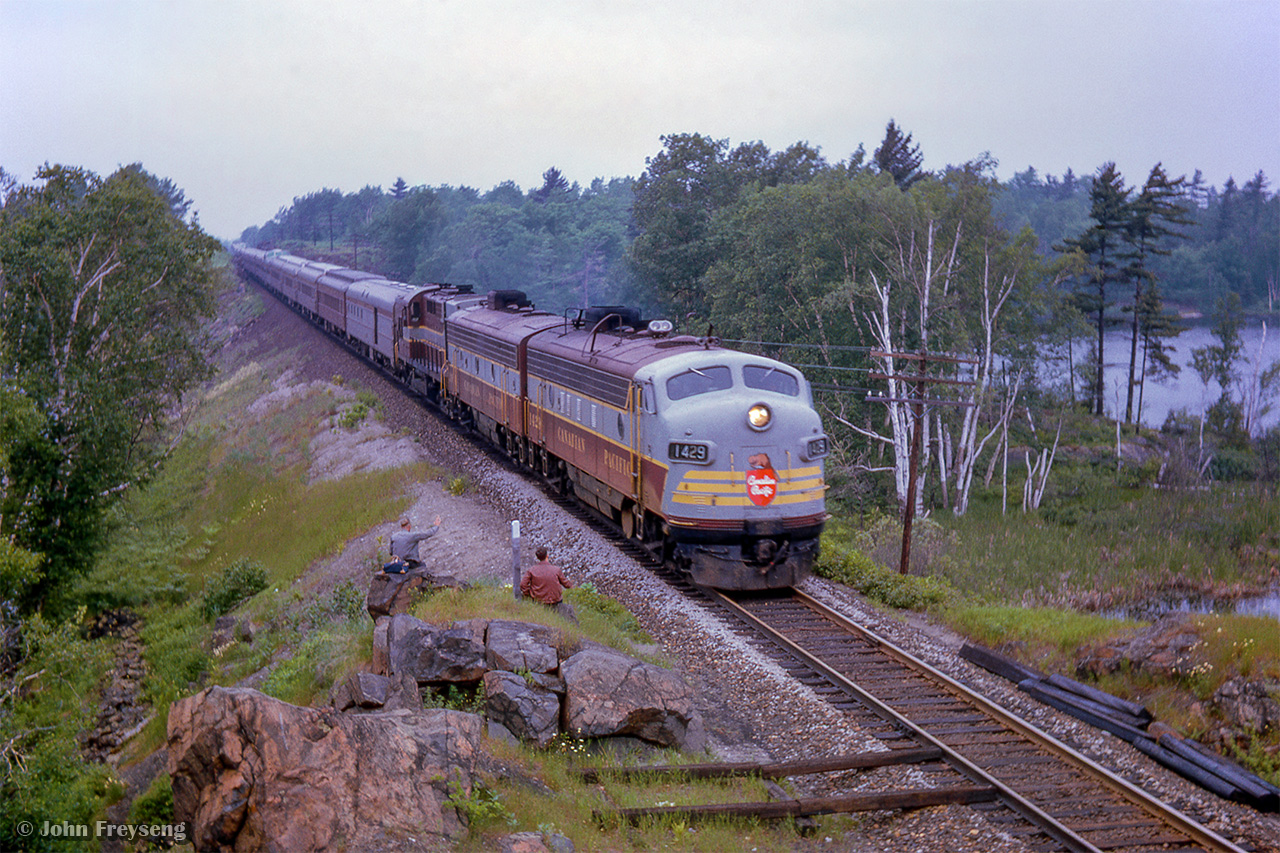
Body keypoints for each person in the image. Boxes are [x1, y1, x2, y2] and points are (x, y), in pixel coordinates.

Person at [520, 546, 575, 620]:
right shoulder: (556, 570)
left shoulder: (531, 570)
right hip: (555, 601)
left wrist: (529, 594)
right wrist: (574, 587)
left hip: (538, 600)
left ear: (537, 558)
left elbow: (523, 585)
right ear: (547, 556)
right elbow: (566, 584)